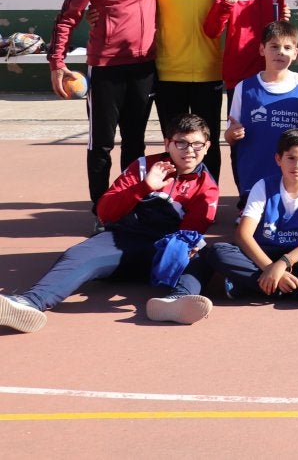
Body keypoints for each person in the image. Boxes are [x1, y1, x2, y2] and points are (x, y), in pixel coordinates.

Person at [0, 114, 219, 333]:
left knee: (202, 256)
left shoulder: (207, 186)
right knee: (78, 254)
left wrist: (181, 251)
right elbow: (105, 212)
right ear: (167, 143)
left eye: (197, 144)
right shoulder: (143, 167)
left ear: (207, 146)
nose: (189, 150)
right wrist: (144, 187)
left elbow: (191, 231)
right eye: (181, 142)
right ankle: (30, 303)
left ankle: (176, 301)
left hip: (162, 252)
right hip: (121, 242)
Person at [50, 0, 169, 210]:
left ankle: (129, 205)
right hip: (106, 69)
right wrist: (57, 64)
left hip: (144, 66)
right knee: (101, 145)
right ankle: (101, 209)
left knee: (135, 143)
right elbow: (68, 15)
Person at [204, 129, 298, 305]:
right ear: (278, 159)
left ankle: (252, 285)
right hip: (264, 252)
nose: (297, 165)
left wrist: (283, 263)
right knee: (218, 252)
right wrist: (269, 268)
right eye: (291, 158)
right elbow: (243, 234)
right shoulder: (263, 186)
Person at [152, 0, 231, 186]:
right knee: (175, 145)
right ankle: (173, 196)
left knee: (206, 144)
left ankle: (207, 197)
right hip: (169, 72)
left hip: (210, 73)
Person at [224, 20, 298, 205]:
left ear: (296, 52)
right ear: (262, 49)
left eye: (287, 47)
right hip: (254, 178)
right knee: (252, 229)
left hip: (293, 180)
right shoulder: (244, 88)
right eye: (274, 46)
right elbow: (229, 137)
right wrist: (233, 134)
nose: (280, 52)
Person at [202, 0, 289, 101]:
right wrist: (227, 3)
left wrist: (284, 22)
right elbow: (211, 30)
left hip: (270, 76)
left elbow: (280, 36)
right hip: (239, 76)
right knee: (238, 127)